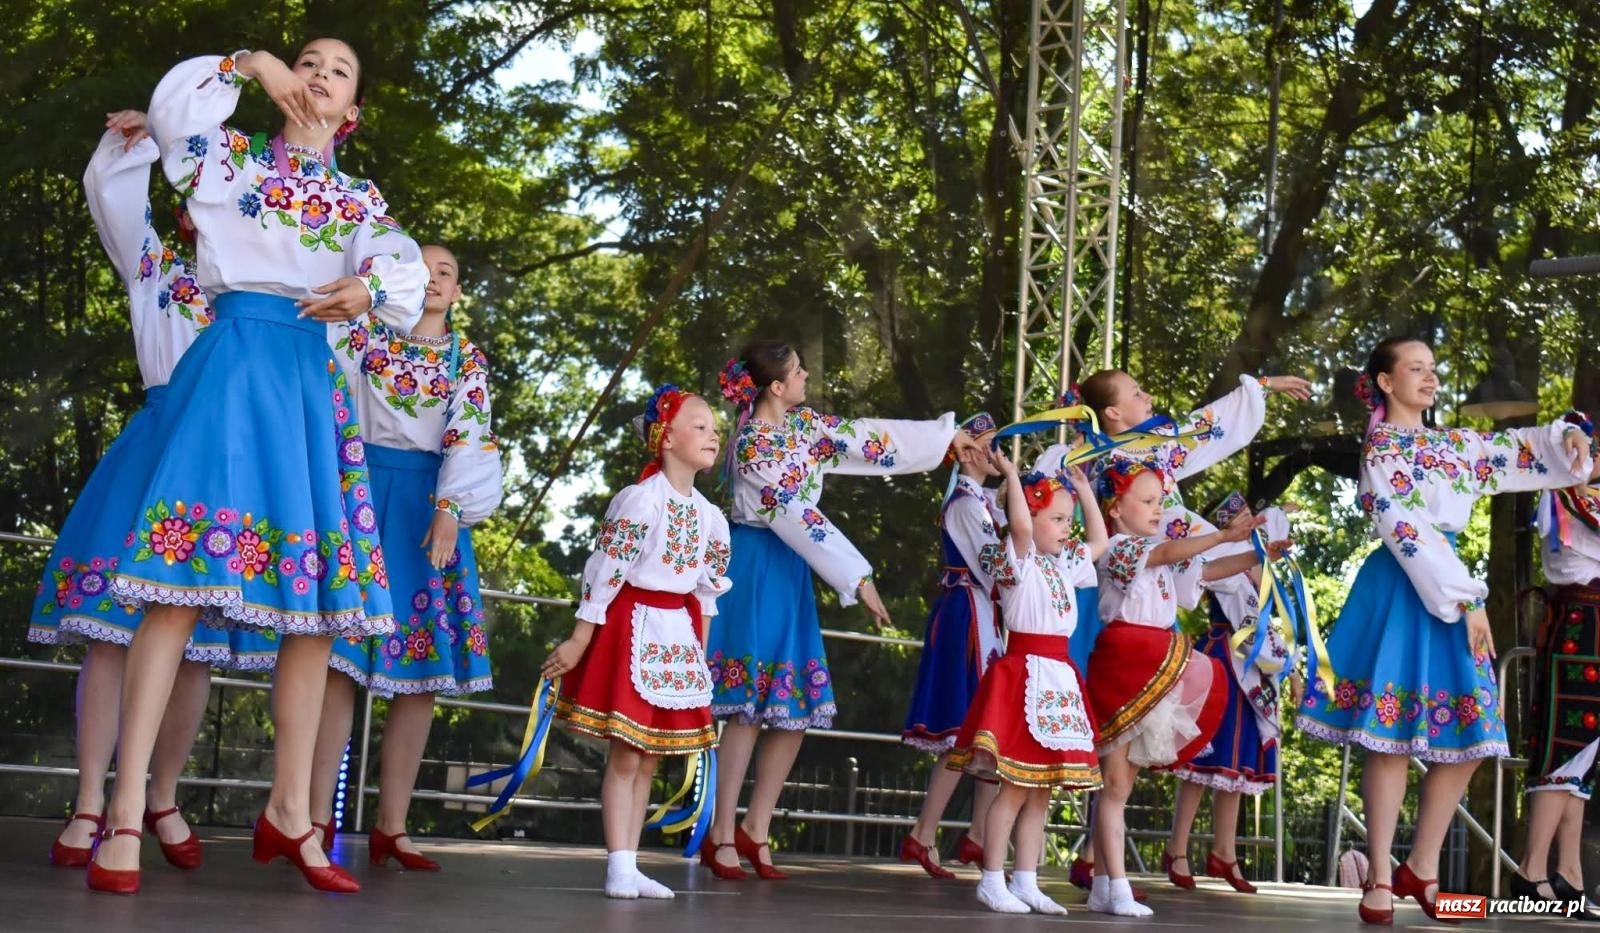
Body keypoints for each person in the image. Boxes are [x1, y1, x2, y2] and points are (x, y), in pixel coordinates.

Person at [91, 40, 427, 895]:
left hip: (308, 385)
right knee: (176, 585)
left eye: (338, 70)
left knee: (314, 610)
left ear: (350, 112)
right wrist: (249, 63)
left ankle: (289, 809)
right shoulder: (229, 158)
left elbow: (402, 265)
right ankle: (126, 807)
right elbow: (173, 114)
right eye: (308, 61)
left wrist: (371, 294)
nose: (317, 73)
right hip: (233, 366)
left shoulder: (358, 198)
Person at [1295, 337, 1592, 924]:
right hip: (1410, 587)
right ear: (1384, 382)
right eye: (1416, 369)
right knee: (1390, 736)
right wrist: (1466, 599)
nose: (1430, 378)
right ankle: (1381, 874)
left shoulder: (1454, 444)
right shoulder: (1381, 450)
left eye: (1433, 368)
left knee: (1475, 735)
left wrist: (1572, 432)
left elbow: (1519, 449)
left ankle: (1422, 866)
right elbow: (1405, 529)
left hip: (1452, 585)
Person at [703, 339, 981, 879]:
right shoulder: (753, 443)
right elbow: (795, 515)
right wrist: (857, 577)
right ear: (776, 386)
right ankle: (720, 831)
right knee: (746, 706)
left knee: (795, 704)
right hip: (759, 564)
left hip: (793, 569)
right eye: (798, 371)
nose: (807, 375)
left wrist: (949, 436)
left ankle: (755, 828)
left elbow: (869, 437)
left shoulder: (806, 428)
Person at [29, 113, 224, 871]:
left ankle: (160, 795)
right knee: (111, 632)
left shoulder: (271, 291)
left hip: (221, 461)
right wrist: (156, 130)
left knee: (196, 643)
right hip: (152, 455)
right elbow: (111, 193)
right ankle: (89, 800)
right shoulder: (158, 269)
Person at [305, 244, 503, 869]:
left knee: (420, 673)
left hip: (428, 506)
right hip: (360, 495)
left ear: (460, 291)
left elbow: (472, 430)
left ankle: (392, 824)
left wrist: (450, 508)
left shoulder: (464, 357)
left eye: (449, 272)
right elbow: (325, 389)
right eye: (425, 269)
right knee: (338, 663)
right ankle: (310, 817)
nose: (437, 279)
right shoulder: (365, 335)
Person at [543, 385, 731, 898]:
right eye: (699, 426)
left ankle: (629, 864)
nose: (713, 435)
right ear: (665, 437)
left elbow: (706, 594)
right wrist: (581, 638)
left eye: (715, 428)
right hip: (633, 626)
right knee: (627, 754)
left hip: (676, 634)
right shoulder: (640, 501)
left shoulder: (711, 518)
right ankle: (618, 865)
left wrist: (699, 659)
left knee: (649, 757)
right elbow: (603, 574)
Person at [1088, 460, 1284, 917]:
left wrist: (1259, 555)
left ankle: (1104, 882)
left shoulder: (1157, 550)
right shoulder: (1118, 548)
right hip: (1125, 664)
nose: (1158, 510)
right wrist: (1222, 535)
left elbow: (1206, 573)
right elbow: (1166, 556)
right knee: (1115, 784)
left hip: (1152, 663)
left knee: (1122, 784)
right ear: (1115, 509)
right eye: (1149, 501)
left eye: (1160, 501)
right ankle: (1114, 883)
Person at [948, 452, 1107, 914]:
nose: (1066, 527)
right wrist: (1015, 476)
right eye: (1056, 518)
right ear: (1030, 514)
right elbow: (1019, 528)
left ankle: (1027, 879)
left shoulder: (1063, 565)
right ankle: (992, 877)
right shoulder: (1017, 561)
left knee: (1042, 789)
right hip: (1025, 674)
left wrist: (1083, 495)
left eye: (1066, 519)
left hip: (1057, 677)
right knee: (1014, 786)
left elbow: (1098, 541)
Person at [1162, 492, 1302, 893]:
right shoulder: (1227, 566)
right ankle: (1177, 849)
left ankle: (1224, 852)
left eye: (1251, 518)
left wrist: (1291, 672)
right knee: (1203, 755)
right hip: (1223, 658)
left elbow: (1272, 627)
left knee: (1238, 763)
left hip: (1254, 666)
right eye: (1242, 519)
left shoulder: (1262, 567)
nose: (1251, 524)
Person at [898, 413, 1005, 878]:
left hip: (984, 613)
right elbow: (996, 568)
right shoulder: (967, 504)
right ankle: (924, 833)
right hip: (971, 615)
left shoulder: (987, 502)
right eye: (989, 443)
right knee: (967, 728)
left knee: (990, 731)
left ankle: (979, 835)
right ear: (968, 451)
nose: (998, 451)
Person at [1512, 416, 1599, 906]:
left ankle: (1568, 873)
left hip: (1590, 627)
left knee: (1584, 752)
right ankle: (1533, 868)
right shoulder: (1565, 499)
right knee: (1565, 745)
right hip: (1580, 627)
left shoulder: (1581, 499)